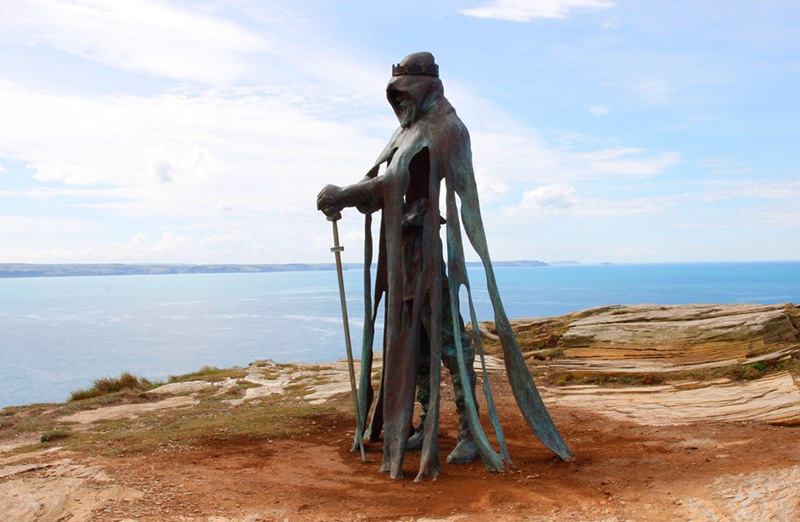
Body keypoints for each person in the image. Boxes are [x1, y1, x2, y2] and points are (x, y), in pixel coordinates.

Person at [317, 52, 572, 481]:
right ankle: (415, 420)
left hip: (426, 253)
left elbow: (393, 184)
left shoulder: (447, 128)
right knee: (411, 339)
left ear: (425, 87)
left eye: (404, 93)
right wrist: (349, 197)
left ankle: (470, 430)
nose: (398, 104)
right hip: (400, 252)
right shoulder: (405, 133)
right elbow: (385, 187)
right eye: (393, 97)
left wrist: (347, 192)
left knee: (448, 339)